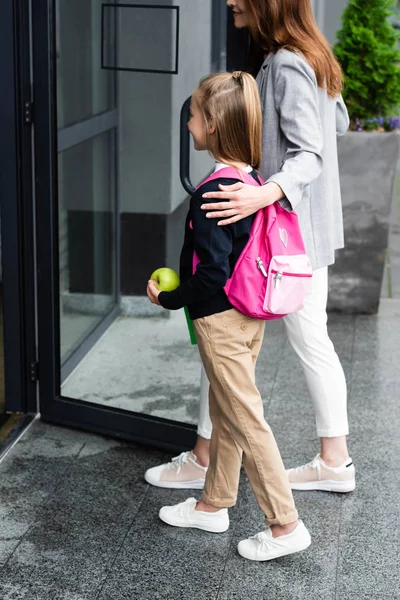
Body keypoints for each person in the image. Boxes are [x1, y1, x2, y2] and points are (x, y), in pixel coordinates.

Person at [145, 0, 355, 495]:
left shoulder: (285, 63)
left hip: (279, 240)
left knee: (222, 335)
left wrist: (263, 190)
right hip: (302, 233)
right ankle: (333, 460)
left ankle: (206, 458)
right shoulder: (312, 55)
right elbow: (338, 123)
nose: (231, 2)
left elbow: (311, 149)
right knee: (303, 343)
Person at [147, 71, 311, 561]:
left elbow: (212, 273)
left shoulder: (214, 192)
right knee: (226, 411)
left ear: (213, 124)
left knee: (245, 418)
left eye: (194, 116)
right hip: (248, 315)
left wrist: (170, 301)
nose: (190, 124)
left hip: (220, 318)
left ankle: (285, 525)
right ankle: (213, 503)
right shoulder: (249, 182)